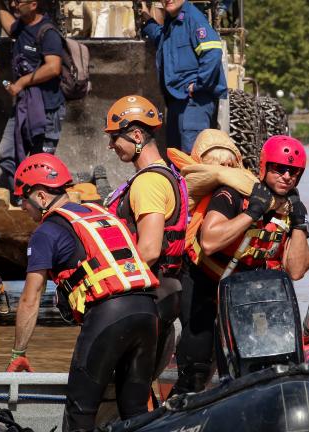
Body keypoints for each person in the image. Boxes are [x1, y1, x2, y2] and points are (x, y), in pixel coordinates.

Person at [6, 153, 159, 430]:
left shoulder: (46, 231)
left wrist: (18, 353)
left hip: (108, 316)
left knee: (80, 411)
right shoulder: (102, 213)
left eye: (22, 199)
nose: (21, 208)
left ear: (40, 197)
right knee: (135, 411)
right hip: (148, 311)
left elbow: (30, 298)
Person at [169, 135, 309, 395]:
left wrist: (300, 225)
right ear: (264, 168)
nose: (286, 176)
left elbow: (296, 270)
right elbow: (210, 241)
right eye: (279, 168)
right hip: (204, 281)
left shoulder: (289, 209)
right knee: (197, 364)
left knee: (256, 363)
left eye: (293, 172)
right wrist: (251, 213)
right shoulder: (232, 194)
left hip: (247, 291)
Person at [103, 95, 188, 380]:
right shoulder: (168, 174)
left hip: (147, 295)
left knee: (126, 389)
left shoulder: (149, 182)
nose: (111, 145)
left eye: (115, 137)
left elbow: (149, 250)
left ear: (137, 134)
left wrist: (106, 284)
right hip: (165, 292)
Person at [0, 0, 65, 205]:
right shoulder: (22, 26)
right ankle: (23, 198)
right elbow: (9, 25)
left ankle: (41, 205)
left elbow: (53, 67)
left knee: (41, 164)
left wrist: (22, 81)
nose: (14, 4)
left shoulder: (48, 32)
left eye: (19, 1)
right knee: (7, 154)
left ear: (33, 5)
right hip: (23, 107)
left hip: (47, 110)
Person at [139, 0, 227, 153]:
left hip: (193, 103)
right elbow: (161, 39)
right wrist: (147, 19)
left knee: (191, 158)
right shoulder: (172, 23)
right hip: (177, 101)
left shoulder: (193, 18)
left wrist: (199, 85)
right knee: (176, 156)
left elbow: (213, 52)